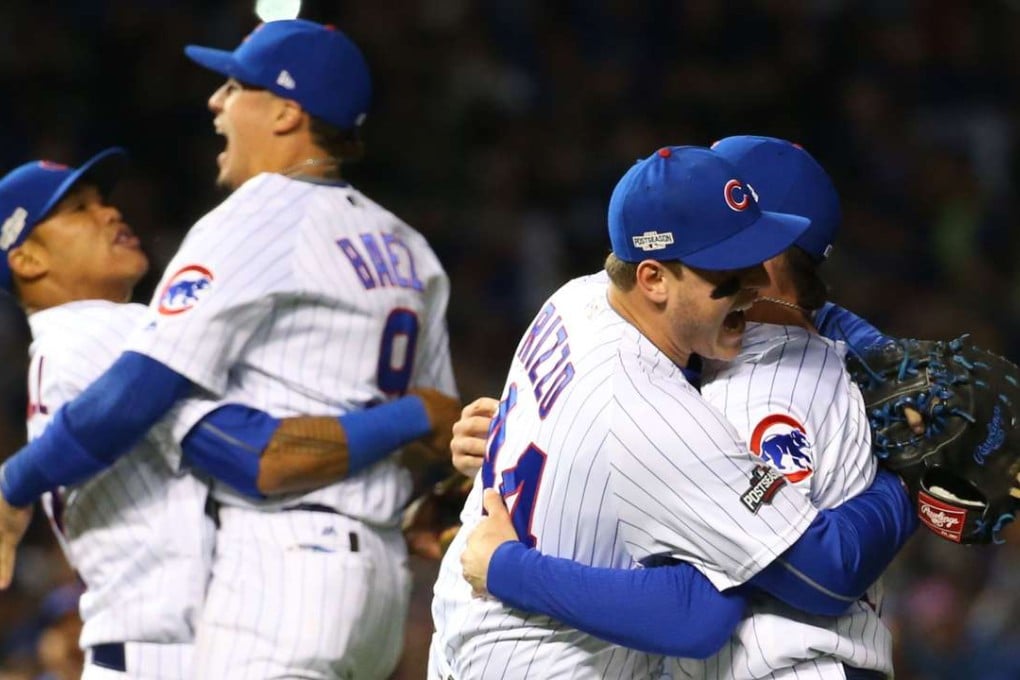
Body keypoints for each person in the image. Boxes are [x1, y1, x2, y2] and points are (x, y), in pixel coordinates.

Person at [0, 18, 458, 680]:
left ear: (284, 112)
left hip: (272, 592)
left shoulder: (249, 222)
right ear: (28, 258)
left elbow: (227, 439)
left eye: (234, 86)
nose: (215, 102)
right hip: (248, 623)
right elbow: (257, 452)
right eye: (77, 210)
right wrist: (412, 441)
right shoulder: (409, 248)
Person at [429, 145, 916, 679]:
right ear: (654, 278)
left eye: (755, 262)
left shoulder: (573, 301)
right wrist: (909, 481)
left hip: (466, 637)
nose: (749, 289)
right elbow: (709, 610)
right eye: (727, 277)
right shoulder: (657, 408)